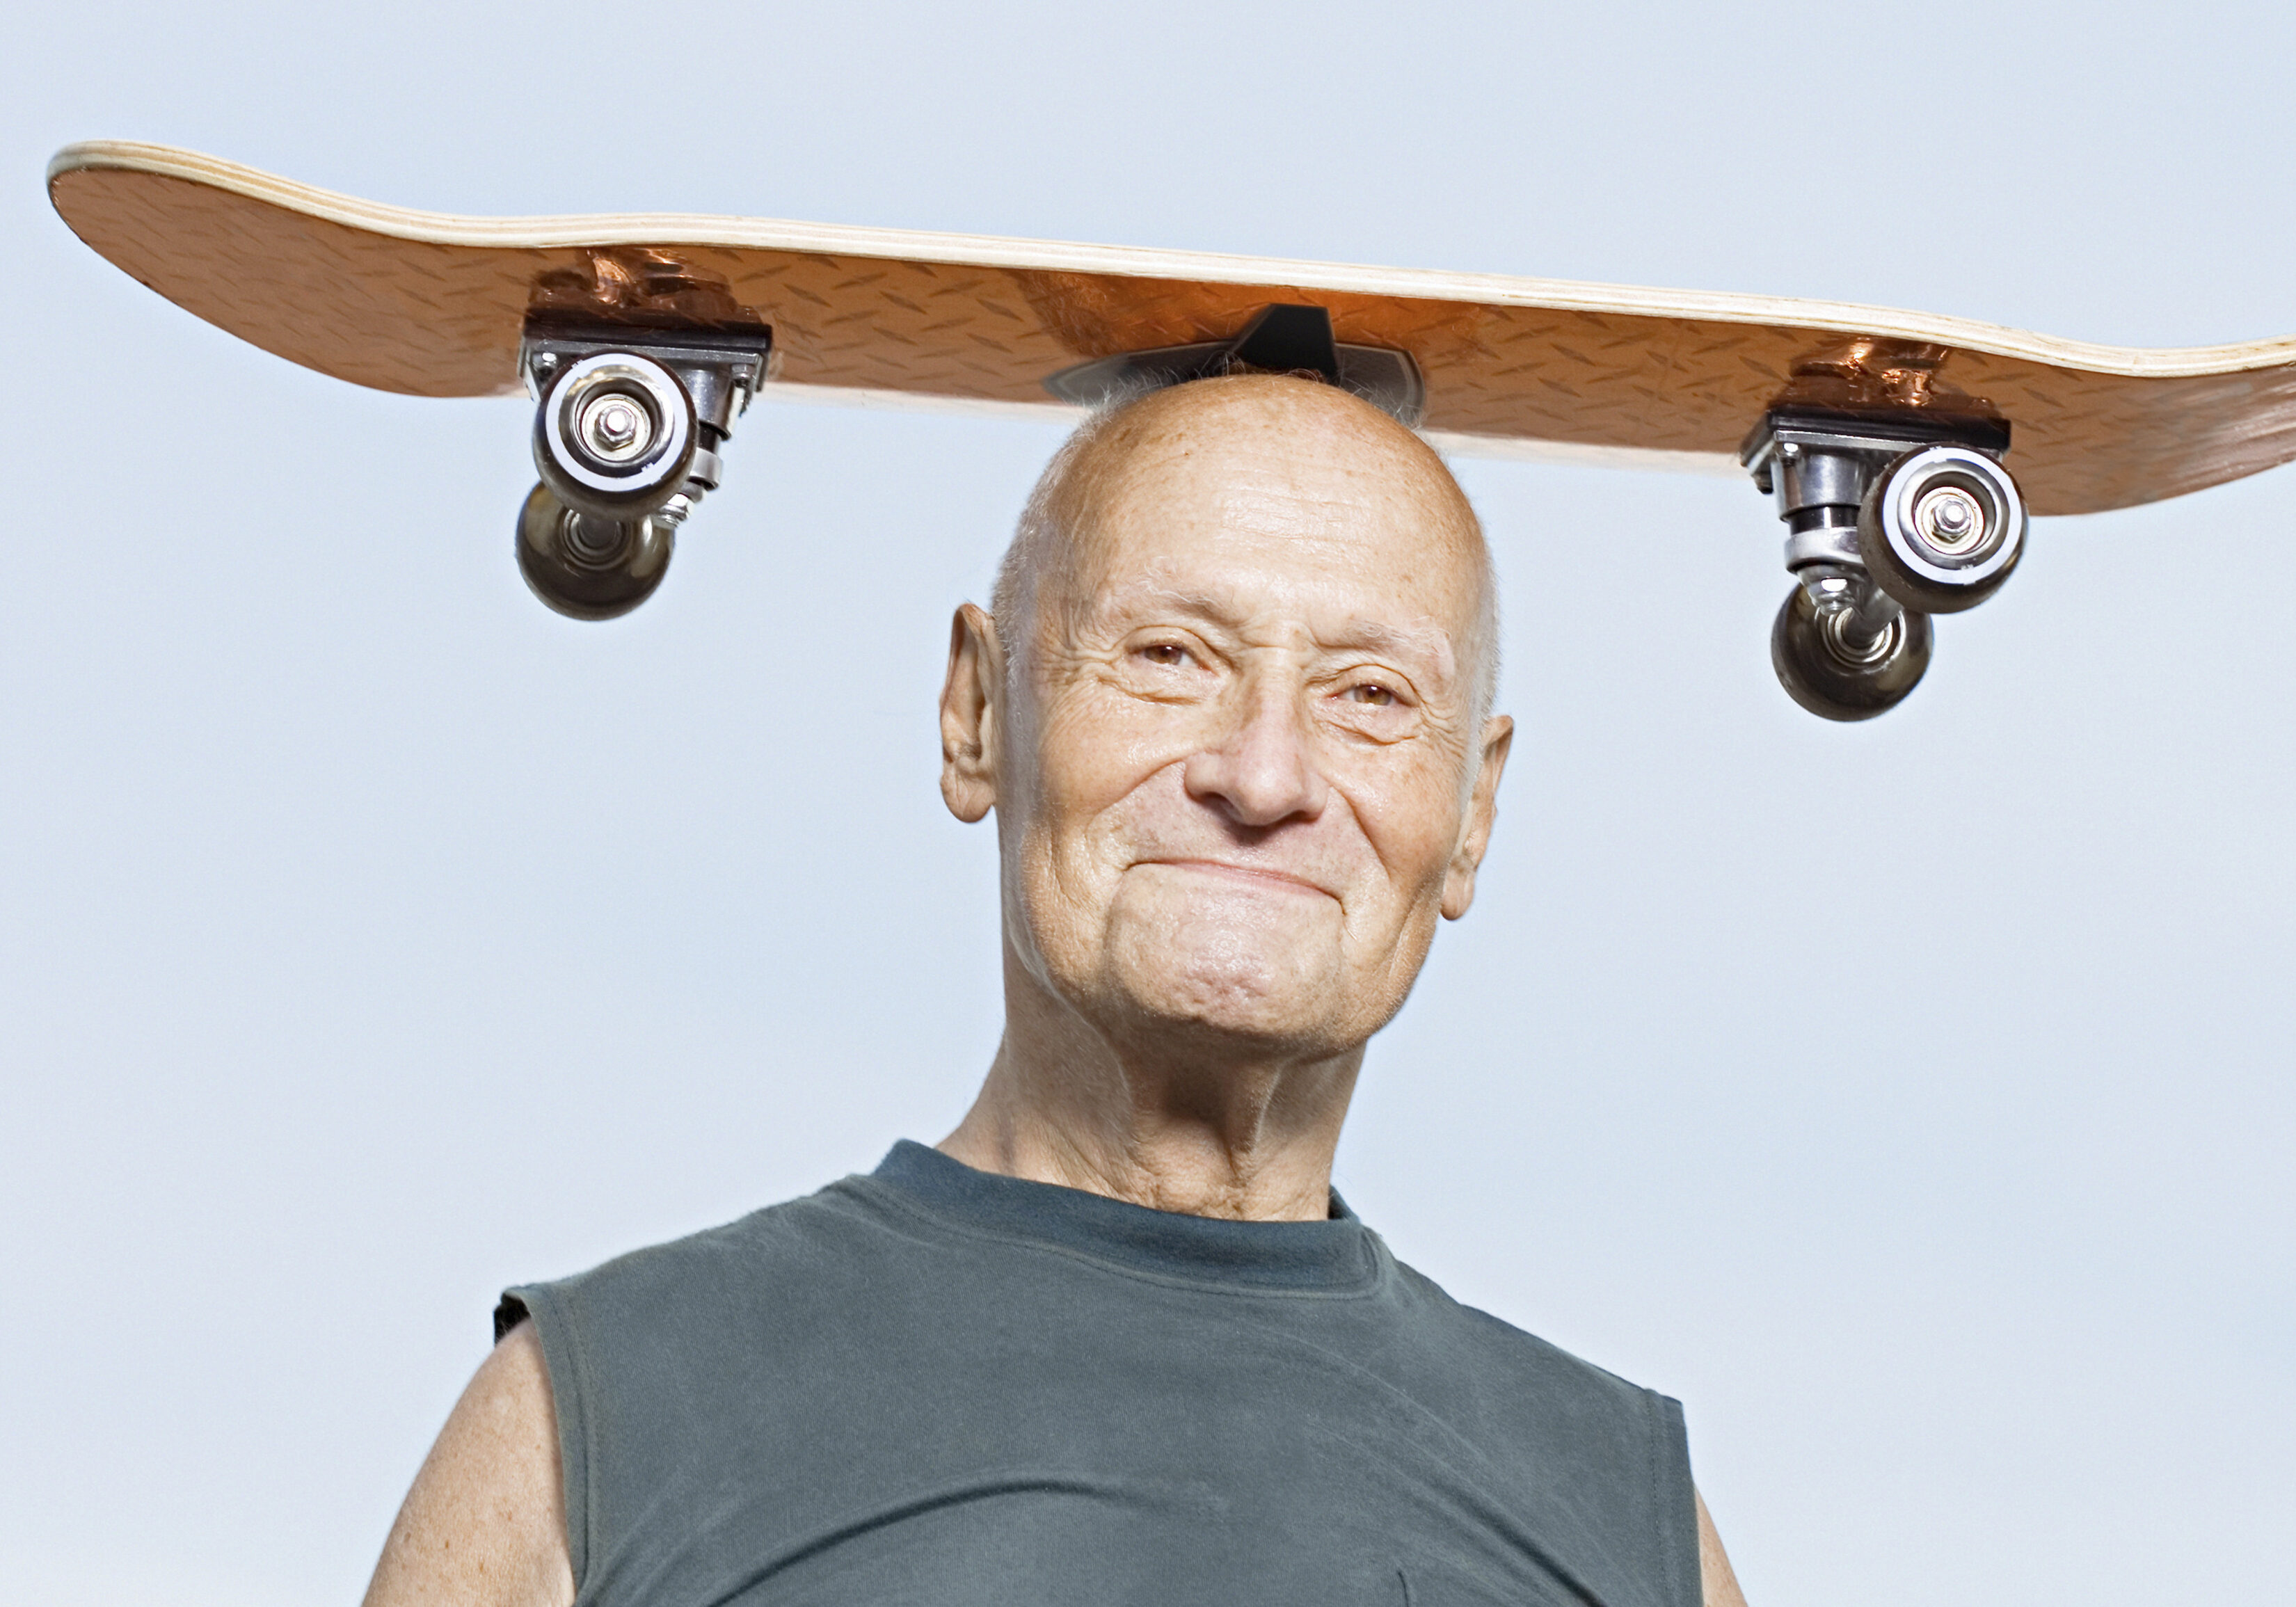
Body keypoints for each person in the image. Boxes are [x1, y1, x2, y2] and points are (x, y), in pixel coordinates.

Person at [362, 372, 1752, 1607]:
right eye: (1169, 659)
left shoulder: (1630, 1527)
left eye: (1372, 694)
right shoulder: (599, 1416)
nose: (1263, 776)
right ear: (978, 714)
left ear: (1472, 814)